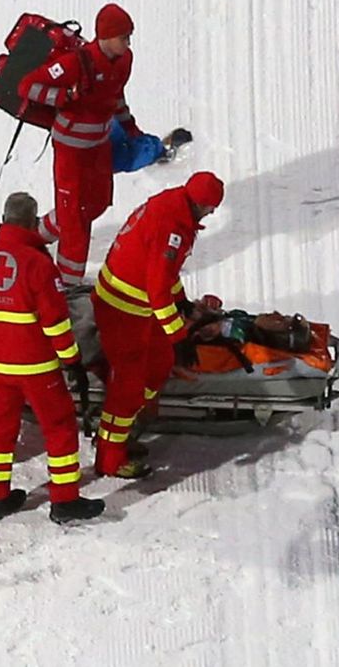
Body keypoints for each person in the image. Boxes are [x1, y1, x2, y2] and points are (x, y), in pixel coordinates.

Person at [0, 192, 106, 523]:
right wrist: (72, 361)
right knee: (60, 428)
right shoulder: (39, 265)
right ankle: (64, 500)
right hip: (38, 369)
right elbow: (56, 322)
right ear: (34, 223)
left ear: (4, 220)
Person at [91, 171, 225, 478]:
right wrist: (179, 337)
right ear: (201, 204)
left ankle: (127, 428)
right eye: (211, 207)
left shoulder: (172, 206)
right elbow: (157, 289)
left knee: (159, 363)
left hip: (133, 305)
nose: (211, 213)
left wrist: (182, 302)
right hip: (123, 311)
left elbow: (163, 272)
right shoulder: (172, 228)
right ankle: (110, 458)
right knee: (128, 387)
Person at [17, 3, 139, 286]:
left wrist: (130, 126)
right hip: (70, 150)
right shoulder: (75, 63)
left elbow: (116, 94)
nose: (128, 43)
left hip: (99, 146)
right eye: (124, 37)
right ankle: (67, 284)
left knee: (97, 203)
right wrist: (65, 97)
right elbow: (28, 87)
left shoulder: (124, 60)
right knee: (74, 216)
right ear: (106, 36)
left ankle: (33, 235)